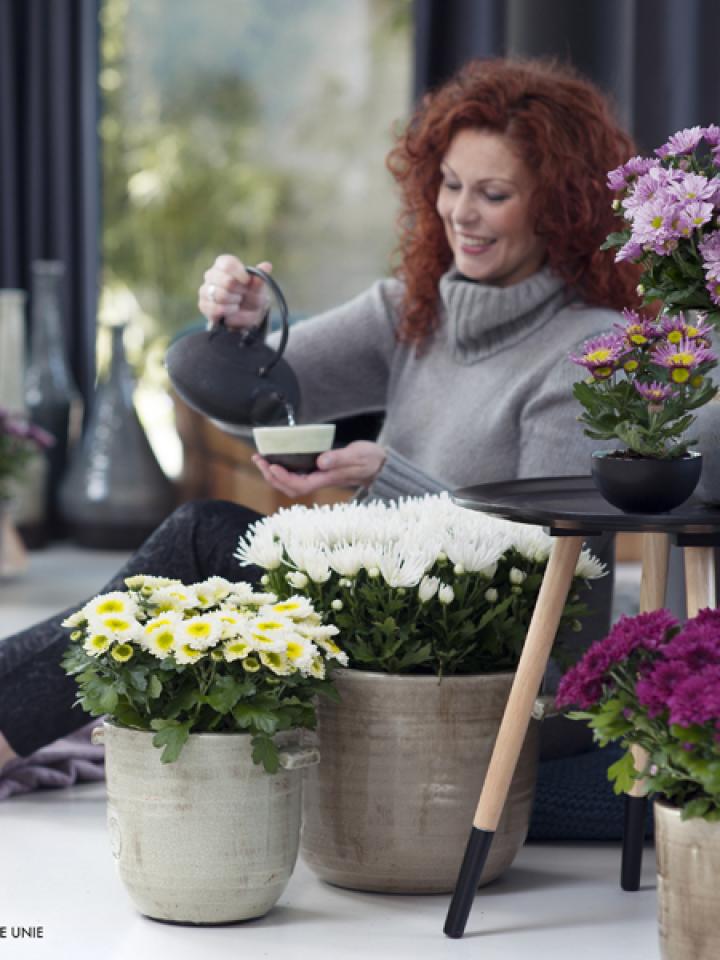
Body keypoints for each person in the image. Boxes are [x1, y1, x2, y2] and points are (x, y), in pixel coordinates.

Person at [0, 57, 641, 795]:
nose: (461, 213)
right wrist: (235, 327)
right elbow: (242, 395)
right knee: (199, 542)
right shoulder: (414, 310)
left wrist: (382, 474)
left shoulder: (589, 351)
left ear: (559, 207)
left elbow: (549, 575)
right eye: (450, 184)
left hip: (495, 662)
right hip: (385, 617)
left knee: (206, 535)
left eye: (493, 194)